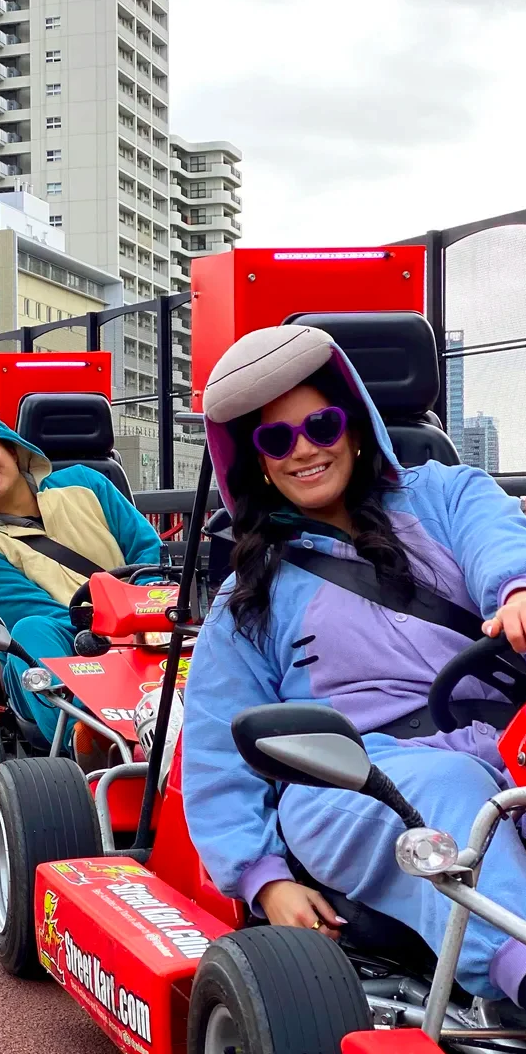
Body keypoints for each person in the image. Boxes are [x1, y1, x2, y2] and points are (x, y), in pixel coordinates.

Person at [183, 322, 526, 1011]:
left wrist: (516, 590)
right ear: (257, 462)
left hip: (501, 738)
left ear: (355, 426)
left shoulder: (444, 493)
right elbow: (217, 747)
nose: (304, 448)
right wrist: (263, 879)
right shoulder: (247, 597)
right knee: (451, 790)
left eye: (321, 424)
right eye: (276, 439)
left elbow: (497, 539)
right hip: (352, 775)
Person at [0, 393, 162, 754]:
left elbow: (146, 550)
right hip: (68, 643)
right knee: (31, 630)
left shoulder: (86, 482)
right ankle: (85, 738)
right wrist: (108, 633)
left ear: (12, 449)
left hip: (144, 624)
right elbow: (33, 612)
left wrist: (150, 605)